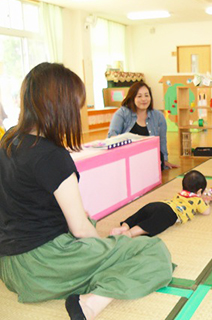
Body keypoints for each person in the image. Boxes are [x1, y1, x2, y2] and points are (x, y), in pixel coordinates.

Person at [0, 63, 174, 320]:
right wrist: (105, 250)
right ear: (61, 107)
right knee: (154, 252)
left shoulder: (9, 140)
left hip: (11, 267)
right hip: (45, 265)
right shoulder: (51, 156)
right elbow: (80, 229)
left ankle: (93, 275)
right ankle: (91, 303)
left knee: (89, 221)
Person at [110, 170, 211, 238]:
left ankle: (124, 226)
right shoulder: (197, 200)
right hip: (170, 212)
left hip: (159, 204)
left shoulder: (181, 193)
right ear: (199, 191)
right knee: (152, 224)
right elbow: (206, 211)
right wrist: (207, 202)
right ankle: (129, 233)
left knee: (139, 215)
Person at [108, 82, 178, 170]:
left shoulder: (158, 116)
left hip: (151, 161)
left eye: (146, 95)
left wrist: (165, 160)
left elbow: (162, 140)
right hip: (128, 160)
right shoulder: (122, 113)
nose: (144, 99)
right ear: (132, 98)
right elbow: (112, 135)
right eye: (139, 96)